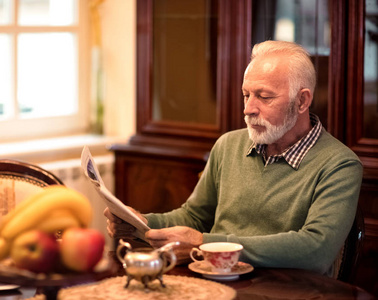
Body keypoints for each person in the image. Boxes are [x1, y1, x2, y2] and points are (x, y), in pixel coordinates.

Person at [104, 40, 363, 277]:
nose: (248, 109)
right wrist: (140, 223)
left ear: (302, 100)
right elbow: (194, 218)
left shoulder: (340, 165)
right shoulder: (228, 145)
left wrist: (204, 244)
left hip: (290, 290)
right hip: (215, 282)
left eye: (264, 96)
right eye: (246, 95)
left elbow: (315, 250)